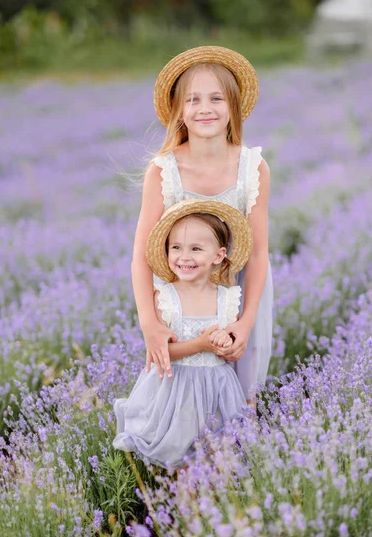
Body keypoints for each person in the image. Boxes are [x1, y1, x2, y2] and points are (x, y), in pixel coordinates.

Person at [132, 46, 273, 406]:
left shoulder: (252, 168)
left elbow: (257, 253)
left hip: (238, 292)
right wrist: (149, 322)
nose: (205, 108)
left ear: (234, 107)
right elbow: (141, 257)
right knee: (178, 388)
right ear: (179, 110)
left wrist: (245, 321)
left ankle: (232, 457)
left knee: (241, 394)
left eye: (216, 98)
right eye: (193, 99)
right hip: (181, 295)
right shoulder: (164, 171)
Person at [113, 199, 251, 469]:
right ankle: (181, 506)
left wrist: (224, 343)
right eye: (176, 247)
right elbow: (162, 352)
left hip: (217, 390)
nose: (184, 257)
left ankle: (214, 507)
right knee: (184, 463)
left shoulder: (228, 298)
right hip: (176, 392)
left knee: (218, 461)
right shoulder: (165, 297)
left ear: (219, 255)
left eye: (196, 249)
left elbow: (229, 347)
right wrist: (200, 344)